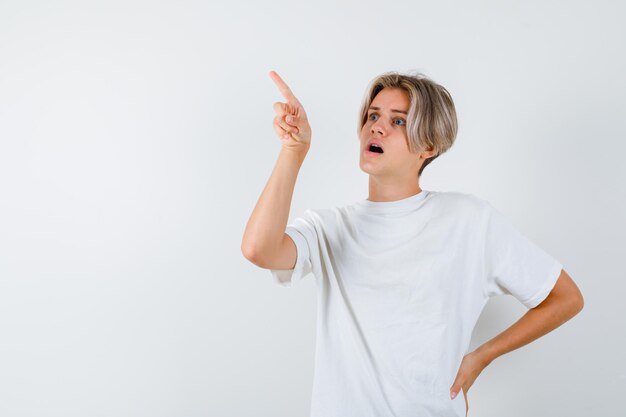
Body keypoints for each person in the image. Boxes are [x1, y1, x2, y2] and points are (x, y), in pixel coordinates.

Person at [241, 70, 584, 417]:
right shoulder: (329, 228)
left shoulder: (468, 220)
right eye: (373, 115)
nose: (377, 127)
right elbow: (258, 249)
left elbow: (565, 298)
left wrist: (482, 357)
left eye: (399, 121)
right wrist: (294, 151)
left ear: (429, 146)